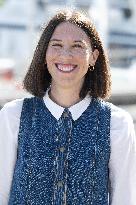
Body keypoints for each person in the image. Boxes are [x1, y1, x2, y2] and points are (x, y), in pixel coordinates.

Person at [0, 9, 136, 205]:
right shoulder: (13, 116)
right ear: (44, 52)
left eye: (77, 46)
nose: (65, 55)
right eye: (56, 45)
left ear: (94, 57)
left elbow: (126, 200)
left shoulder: (117, 124)